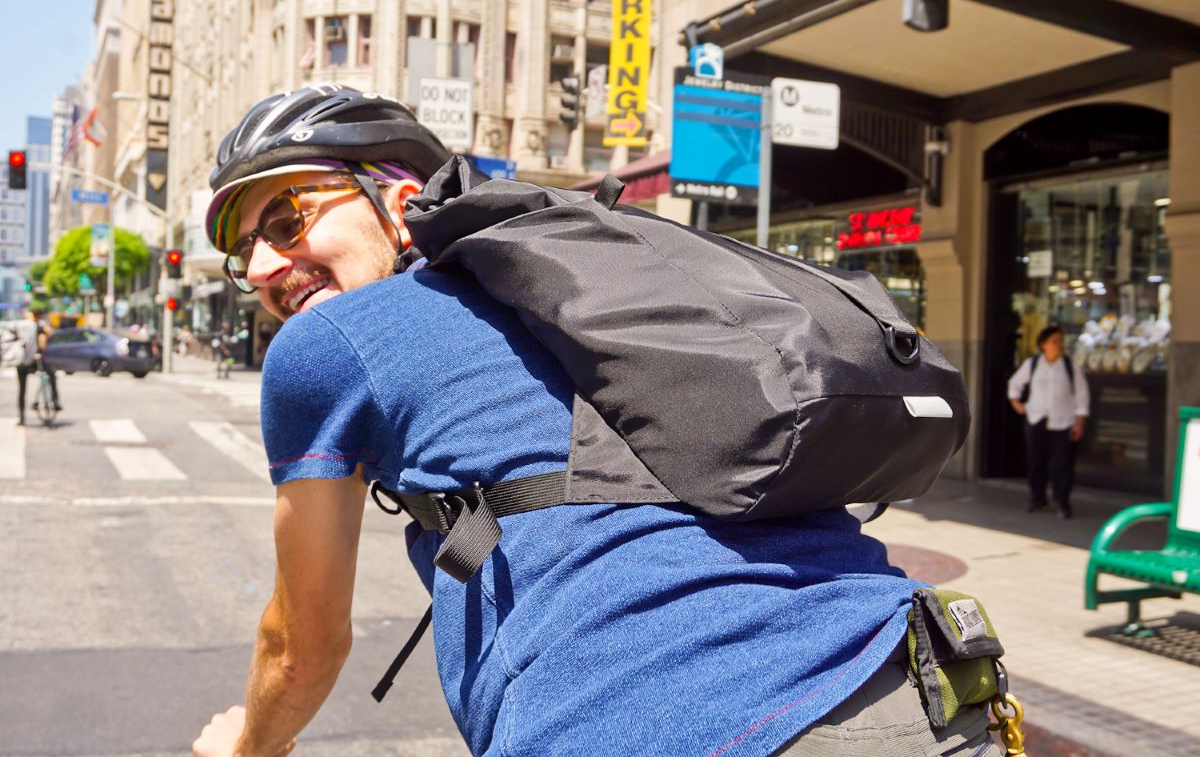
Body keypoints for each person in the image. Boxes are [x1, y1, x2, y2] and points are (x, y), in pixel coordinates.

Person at [193, 86, 1003, 757]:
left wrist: (248, 746)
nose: (264, 267)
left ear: (401, 205)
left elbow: (301, 649)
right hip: (922, 685)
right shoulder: (589, 300)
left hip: (664, 727)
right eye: (245, 252)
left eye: (287, 220)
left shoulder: (322, 346)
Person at [1008, 325, 1090, 519]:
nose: (1059, 344)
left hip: (1064, 421)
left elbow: (1082, 394)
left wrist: (1080, 421)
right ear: (1043, 344)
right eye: (1054, 341)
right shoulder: (1033, 364)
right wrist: (1016, 403)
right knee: (1036, 462)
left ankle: (1062, 502)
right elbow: (1015, 383)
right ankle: (1037, 498)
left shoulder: (1070, 367)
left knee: (1063, 465)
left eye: (1061, 340)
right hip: (1036, 419)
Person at [14, 309, 60, 425]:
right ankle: (55, 401)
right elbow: (49, 334)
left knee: (22, 390)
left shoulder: (20, 325)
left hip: (21, 361)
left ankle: (22, 418)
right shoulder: (38, 326)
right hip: (35, 360)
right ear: (38, 316)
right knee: (51, 375)